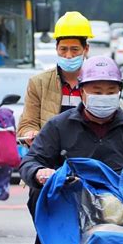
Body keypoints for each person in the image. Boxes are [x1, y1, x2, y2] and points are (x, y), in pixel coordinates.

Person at [19, 56, 123, 244]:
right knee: (37, 193)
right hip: (72, 197)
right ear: (82, 92)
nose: (103, 96)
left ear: (119, 93)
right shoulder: (59, 125)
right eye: (97, 90)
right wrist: (40, 172)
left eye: (110, 91)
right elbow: (31, 160)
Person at [17, 11, 93, 145]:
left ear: (85, 49)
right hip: (50, 156)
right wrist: (31, 133)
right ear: (56, 48)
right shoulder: (39, 83)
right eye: (63, 49)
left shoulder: (96, 82)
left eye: (74, 50)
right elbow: (27, 124)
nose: (68, 55)